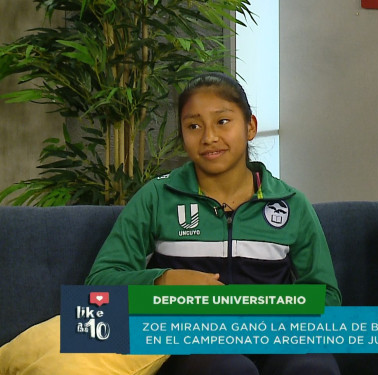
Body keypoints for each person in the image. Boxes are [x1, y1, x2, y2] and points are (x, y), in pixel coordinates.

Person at [86, 72, 342, 375]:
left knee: (314, 367)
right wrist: (163, 282)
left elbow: (327, 297)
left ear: (250, 127)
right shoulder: (157, 197)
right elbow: (99, 284)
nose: (208, 137)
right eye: (193, 126)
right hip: (193, 345)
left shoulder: (291, 203)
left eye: (222, 122)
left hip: (276, 338)